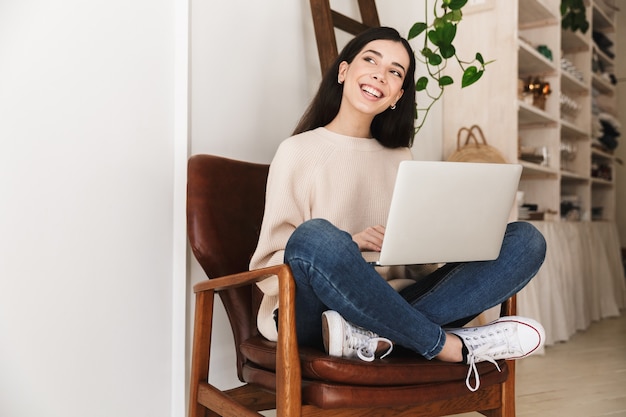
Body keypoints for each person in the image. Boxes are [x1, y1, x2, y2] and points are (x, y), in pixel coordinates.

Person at [250, 26, 547, 392]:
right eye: (370, 60)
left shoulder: (400, 158)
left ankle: (375, 339)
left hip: (394, 303)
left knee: (526, 240)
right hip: (316, 316)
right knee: (316, 237)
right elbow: (267, 270)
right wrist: (349, 245)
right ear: (343, 72)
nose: (380, 74)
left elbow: (418, 269)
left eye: (395, 71)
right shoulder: (297, 151)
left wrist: (440, 242)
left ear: (398, 95)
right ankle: (446, 345)